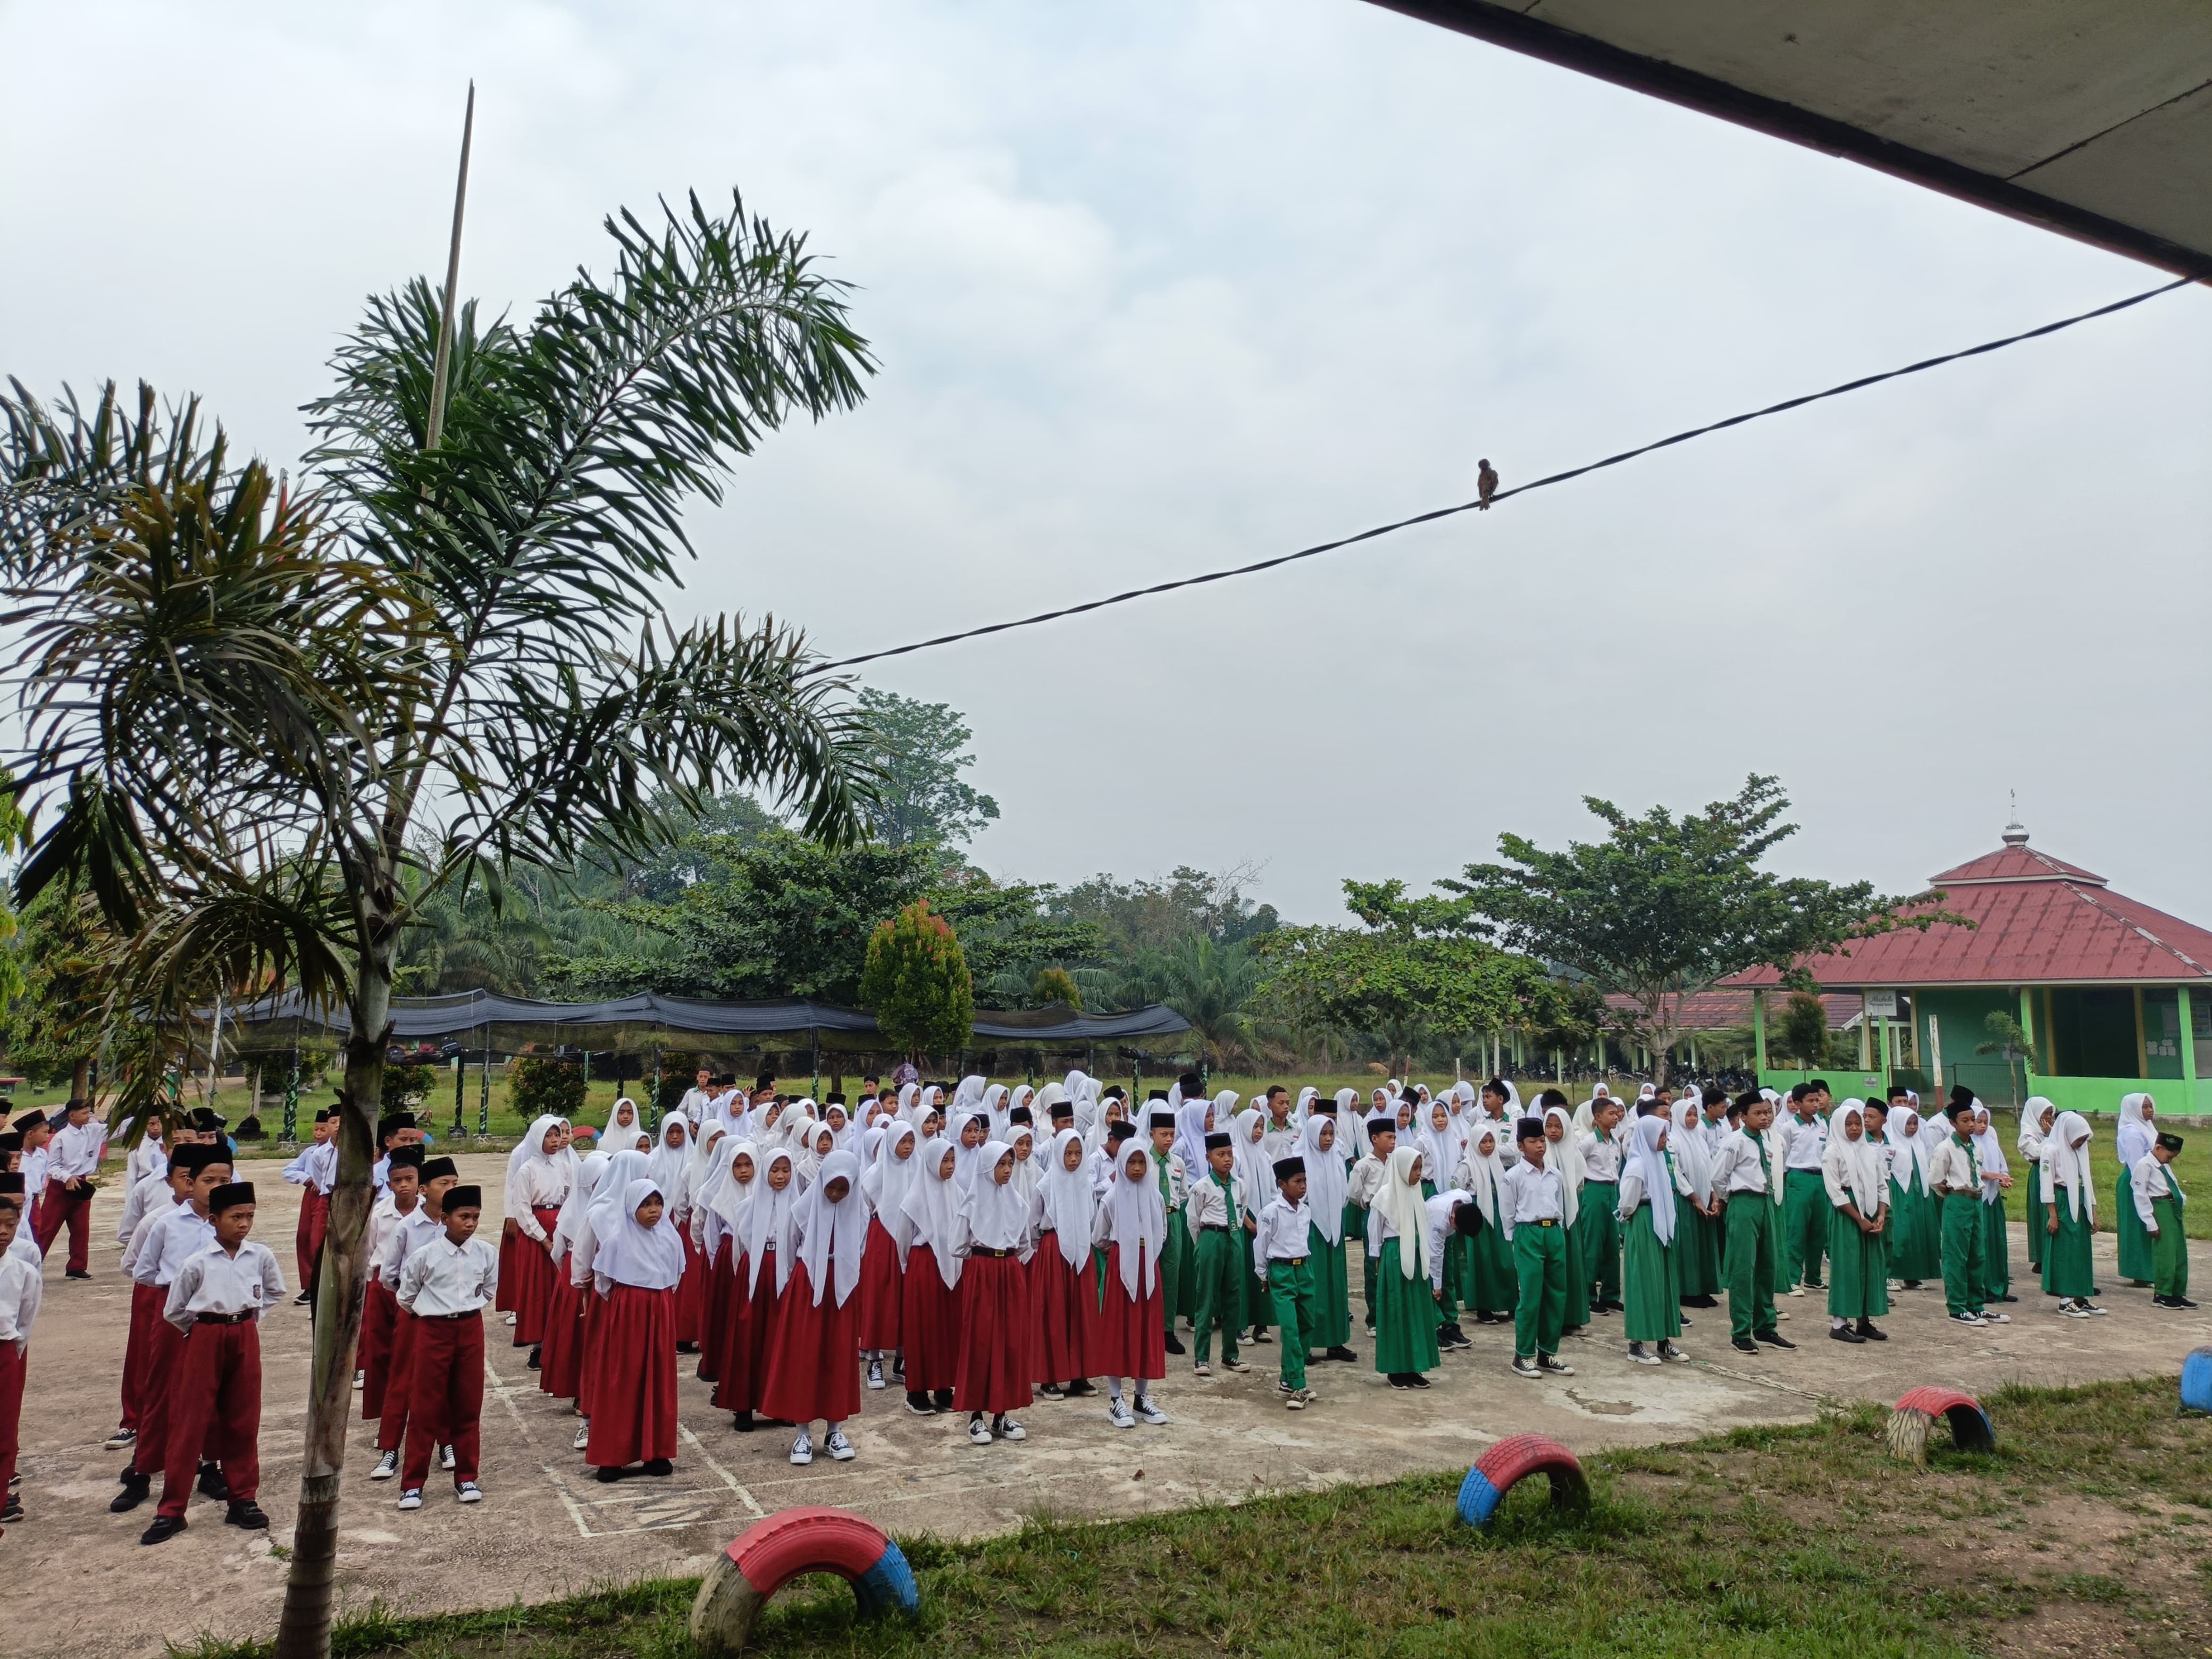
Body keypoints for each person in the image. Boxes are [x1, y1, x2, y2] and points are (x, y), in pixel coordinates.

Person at [142, 1180, 284, 1544]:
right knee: (190, 1421)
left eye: (249, 1216)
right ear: (215, 1220)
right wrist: (202, 1330)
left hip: (244, 1334)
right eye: (236, 1217)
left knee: (243, 1418)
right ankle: (172, 1509)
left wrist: (249, 1320)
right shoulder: (197, 1263)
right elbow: (175, 1310)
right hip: (204, 1335)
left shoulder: (260, 1256)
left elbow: (274, 1291)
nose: (244, 1224)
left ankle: (243, 1498)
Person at [112, 1144, 234, 1514]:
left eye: (224, 1181)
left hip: (213, 1318)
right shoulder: (163, 1222)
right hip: (172, 1317)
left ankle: (209, 1466)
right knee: (161, 1393)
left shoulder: (230, 1222)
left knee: (212, 1395)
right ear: (188, 1183)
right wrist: (175, 1294)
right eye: (207, 1180)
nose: (216, 1187)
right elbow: (139, 1269)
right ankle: (144, 1470)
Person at [395, 1183, 498, 1509]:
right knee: (426, 1408)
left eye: (475, 1217)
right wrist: (435, 1315)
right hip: (433, 1330)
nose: (470, 1223)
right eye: (463, 1217)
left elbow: (490, 1290)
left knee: (468, 1405)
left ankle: (467, 1477)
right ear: (444, 1218)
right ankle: (413, 1484)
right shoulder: (425, 1256)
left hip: (470, 1329)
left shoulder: (485, 1253)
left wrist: (467, 1308)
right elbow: (406, 1297)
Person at [762, 1149, 867, 1466]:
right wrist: (791, 1289)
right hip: (808, 1286)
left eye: (843, 1188)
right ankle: (802, 1433)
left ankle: (835, 1430)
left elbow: (858, 1250)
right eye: (831, 1187)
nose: (835, 1194)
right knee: (805, 1356)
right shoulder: (802, 1210)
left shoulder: (860, 1213)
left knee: (837, 1355)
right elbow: (788, 1250)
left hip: (842, 1289)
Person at [585, 1176, 685, 1481]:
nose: (653, 1211)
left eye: (657, 1204)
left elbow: (676, 1274)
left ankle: (656, 1453)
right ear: (631, 1208)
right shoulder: (617, 1240)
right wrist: (630, 1302)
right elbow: (603, 1282)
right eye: (645, 1205)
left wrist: (657, 1300)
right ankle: (613, 1456)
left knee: (657, 1377)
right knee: (622, 1377)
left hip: (660, 1309)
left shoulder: (670, 1238)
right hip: (628, 1312)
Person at [370, 1155, 460, 1479]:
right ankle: (390, 1449)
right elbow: (388, 1274)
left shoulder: (457, 1223)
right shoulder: (407, 1227)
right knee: (403, 1380)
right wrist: (411, 1305)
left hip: (450, 1315)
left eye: (454, 1184)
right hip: (415, 1315)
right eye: (443, 1184)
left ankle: (446, 1441)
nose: (450, 1189)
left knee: (447, 1381)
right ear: (425, 1189)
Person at [952, 1142, 1033, 1445]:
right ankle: (976, 1415)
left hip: (1010, 1271)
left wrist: (1006, 1258)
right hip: (982, 1271)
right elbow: (958, 1245)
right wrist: (983, 1259)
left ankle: (1002, 1413)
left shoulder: (1017, 1202)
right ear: (987, 1168)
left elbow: (1024, 1242)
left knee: (1010, 1340)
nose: (1007, 1170)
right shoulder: (972, 1204)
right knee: (981, 1339)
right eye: (1001, 1165)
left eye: (1010, 1165)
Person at [1090, 1144, 1170, 1428]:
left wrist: (1147, 1255)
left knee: (1145, 1329)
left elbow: (1162, 1230)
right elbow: (1100, 1237)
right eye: (1131, 1162)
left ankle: (1141, 1398)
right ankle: (1115, 1400)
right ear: (1122, 1164)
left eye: (1141, 1162)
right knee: (1118, 1329)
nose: (1137, 1168)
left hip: (1149, 1264)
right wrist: (1122, 1256)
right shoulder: (1111, 1198)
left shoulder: (1155, 1197)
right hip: (1122, 1264)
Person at [1713, 1092, 1791, 1354]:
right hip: (1744, 1202)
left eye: (1768, 1112)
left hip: (1766, 1202)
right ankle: (1741, 1332)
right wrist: (1729, 1200)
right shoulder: (1734, 1142)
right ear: (1743, 1116)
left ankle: (1766, 1327)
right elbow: (1718, 1177)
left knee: (1767, 1266)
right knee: (1743, 1269)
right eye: (1758, 1113)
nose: (1766, 1117)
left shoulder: (1772, 1141)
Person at [1033, 1127, 1099, 1401]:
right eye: (1068, 1154)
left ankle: (1079, 1373)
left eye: (1078, 1154)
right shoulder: (1045, 1186)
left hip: (1082, 1253)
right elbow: (1034, 1227)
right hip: (1053, 1252)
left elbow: (1093, 1220)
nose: (1073, 1159)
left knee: (1080, 1312)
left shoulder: (1086, 1185)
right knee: (1054, 1313)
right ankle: (1049, 1377)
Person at [360, 1147, 425, 1424]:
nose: (403, 1186)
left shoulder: (429, 1212)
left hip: (417, 1290)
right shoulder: (379, 1213)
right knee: (381, 1350)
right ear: (389, 1185)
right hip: (383, 1287)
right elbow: (370, 1250)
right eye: (397, 1181)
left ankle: (417, 1409)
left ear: (419, 1182)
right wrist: (375, 1282)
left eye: (409, 1179)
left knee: (414, 1352)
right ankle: (385, 1415)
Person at [1928, 1100, 2004, 1328]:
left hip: (1976, 1202)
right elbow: (1934, 1180)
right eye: (1966, 1120)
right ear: (1953, 1123)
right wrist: (1952, 1195)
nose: (1972, 1124)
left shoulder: (1976, 1146)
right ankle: (1958, 1307)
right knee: (1956, 1256)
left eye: (1973, 1120)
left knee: (1977, 1255)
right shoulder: (1945, 1148)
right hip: (1957, 1201)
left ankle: (1976, 1305)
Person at [1616, 1113, 1683, 1365]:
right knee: (1644, 1281)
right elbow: (1627, 1203)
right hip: (1644, 1222)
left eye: (1666, 1134)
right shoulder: (1637, 1165)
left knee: (1663, 1282)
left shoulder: (1658, 1162)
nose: (1665, 1140)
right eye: (1661, 1135)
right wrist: (1630, 1216)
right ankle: (1636, 1344)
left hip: (1661, 1223)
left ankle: (1663, 1340)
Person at [1821, 1102, 1889, 1344]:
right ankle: (1839, 1323)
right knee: (1847, 1265)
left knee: (1869, 1266)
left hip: (1870, 1211)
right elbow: (1835, 1191)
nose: (1854, 1129)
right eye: (1848, 1124)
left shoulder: (1869, 1151)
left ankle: (1864, 1321)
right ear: (1839, 1126)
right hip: (1847, 1214)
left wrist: (1881, 1215)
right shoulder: (1833, 1152)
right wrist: (1859, 1219)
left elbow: (1882, 1185)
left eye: (1858, 1123)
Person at [508, 1116, 573, 1365]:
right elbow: (522, 1209)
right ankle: (538, 1346)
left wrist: (564, 1232)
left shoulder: (564, 1167)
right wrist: (544, 1239)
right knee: (538, 1288)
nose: (555, 1141)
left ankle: (558, 1343)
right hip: (537, 1231)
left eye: (557, 1135)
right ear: (537, 1138)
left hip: (558, 1223)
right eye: (549, 1136)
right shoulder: (527, 1170)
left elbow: (569, 1199)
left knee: (559, 1285)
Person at [1254, 1156, 1317, 1408]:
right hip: (1281, 1271)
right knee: (1289, 1329)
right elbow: (1261, 1244)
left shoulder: (1306, 1210)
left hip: (1304, 1269)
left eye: (1305, 1181)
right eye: (1297, 1182)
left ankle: (1287, 1379)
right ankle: (1299, 1386)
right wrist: (1263, 1274)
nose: (1303, 1186)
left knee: (1307, 1324)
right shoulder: (1271, 1212)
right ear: (1282, 1184)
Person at [1186, 1130, 1249, 1378]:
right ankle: (1201, 1358)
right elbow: (1193, 1220)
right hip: (1210, 1237)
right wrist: (1203, 1245)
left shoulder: (1239, 1185)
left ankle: (1230, 1354)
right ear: (1208, 1157)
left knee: (1233, 1296)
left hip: (1233, 1237)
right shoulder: (1202, 1187)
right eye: (1221, 1155)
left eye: (1230, 1154)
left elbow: (1242, 1209)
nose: (1227, 1159)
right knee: (1206, 1297)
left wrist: (1235, 1233)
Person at [1298, 1115, 1357, 1362]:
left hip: (1335, 1229)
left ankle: (1336, 1341)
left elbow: (1343, 1191)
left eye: (1331, 1134)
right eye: (1323, 1134)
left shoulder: (1335, 1158)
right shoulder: (1300, 1157)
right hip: (1312, 1229)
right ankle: (1307, 1344)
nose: (1328, 1139)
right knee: (1314, 1286)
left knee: (1336, 1286)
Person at [0, 1186, 40, 1524]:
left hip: (5, 1352)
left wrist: (11, 1354)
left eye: (10, 1225)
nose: (3, 1232)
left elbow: (25, 1320)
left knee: (4, 1430)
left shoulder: (24, 1271)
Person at [2040, 1111, 2104, 1317]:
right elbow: (2047, 1184)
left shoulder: (2079, 1149)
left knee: (2080, 1250)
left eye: (2085, 1139)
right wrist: (2053, 1214)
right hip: (2062, 1201)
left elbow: (2087, 1180)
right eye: (2079, 1138)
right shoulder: (2051, 1150)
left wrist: (2093, 1210)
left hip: (2080, 1199)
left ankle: (2080, 1296)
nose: (2081, 1143)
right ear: (2068, 1132)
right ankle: (2064, 1300)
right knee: (2064, 1251)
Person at [35, 1097, 104, 1277]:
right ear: (72, 1116)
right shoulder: (61, 1137)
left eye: (89, 1112)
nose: (88, 1116)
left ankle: (77, 1267)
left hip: (82, 1183)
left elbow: (120, 1128)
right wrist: (67, 1177)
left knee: (82, 1228)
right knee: (47, 1228)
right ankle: (33, 1264)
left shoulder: (94, 1131)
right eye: (84, 1113)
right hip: (61, 1185)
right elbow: (52, 1165)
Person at [1883, 1097, 1940, 1289]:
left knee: (1918, 1233)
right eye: (1908, 1123)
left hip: (1919, 1193)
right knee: (1900, 1233)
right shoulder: (1890, 1143)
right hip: (1899, 1192)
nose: (1913, 1127)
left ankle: (1913, 1274)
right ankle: (1888, 1273)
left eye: (1915, 1123)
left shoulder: (1918, 1142)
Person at [1776, 1086, 1828, 1295]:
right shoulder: (1788, 1128)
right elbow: (1783, 1156)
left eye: (1817, 1100)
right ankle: (1791, 1278)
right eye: (1810, 1101)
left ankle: (1813, 1277)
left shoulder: (1822, 1125)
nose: (1816, 1104)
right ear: (1798, 1104)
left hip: (1821, 1178)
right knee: (1797, 1229)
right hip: (1799, 1177)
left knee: (1819, 1230)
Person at [1349, 1115, 1398, 1335]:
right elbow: (1353, 1193)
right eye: (1389, 1137)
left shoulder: (1396, 1161)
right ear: (1375, 1139)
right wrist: (1367, 1203)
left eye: (1395, 1137)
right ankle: (1373, 1319)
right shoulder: (1364, 1165)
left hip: (1394, 1216)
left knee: (1390, 1265)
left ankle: (1390, 1315)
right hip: (1373, 1214)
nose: (1393, 1142)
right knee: (1373, 1266)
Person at [1576, 1097, 1625, 1314]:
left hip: (1612, 1192)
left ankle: (1610, 1294)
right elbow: (1577, 1164)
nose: (1616, 1117)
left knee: (1612, 1244)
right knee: (1592, 1244)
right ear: (1598, 1117)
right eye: (1611, 1114)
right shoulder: (1588, 1142)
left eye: (1617, 1114)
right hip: (1594, 1191)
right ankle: (1587, 1294)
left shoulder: (1615, 1142)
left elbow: (1617, 1166)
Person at [282, 1110, 338, 1303]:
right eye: (317, 1129)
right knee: (304, 1237)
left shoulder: (346, 1151)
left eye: (323, 1129)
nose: (319, 1133)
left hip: (330, 1196)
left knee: (320, 1240)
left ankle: (322, 1286)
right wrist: (306, 1179)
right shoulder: (311, 1152)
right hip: (313, 1197)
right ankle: (308, 1286)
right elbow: (288, 1171)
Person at [2136, 1132, 2193, 1310]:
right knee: (2165, 1253)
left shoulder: (2163, 1165)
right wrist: (2150, 1222)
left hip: (2172, 1208)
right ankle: (2162, 1293)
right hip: (2159, 1208)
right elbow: (2140, 1195)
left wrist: (2180, 1198)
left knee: (2179, 1252)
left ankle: (2177, 1292)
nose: (2171, 1160)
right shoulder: (2144, 1165)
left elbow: (2172, 1184)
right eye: (2170, 1156)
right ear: (2159, 1148)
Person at [1970, 1105, 2016, 1304]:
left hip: (1993, 1199)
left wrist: (2003, 1179)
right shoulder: (1968, 1144)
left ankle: (1999, 1286)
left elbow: (2001, 1168)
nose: (1981, 1126)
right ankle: (1983, 1288)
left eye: (1985, 1122)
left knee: (1997, 1243)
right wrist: (1991, 1176)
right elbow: (1969, 1170)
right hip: (1978, 1198)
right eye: (1977, 1122)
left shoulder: (1991, 1143)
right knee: (1982, 1243)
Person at [2115, 1092, 2158, 1287]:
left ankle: (2150, 1271)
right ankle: (2140, 1272)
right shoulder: (2132, 1133)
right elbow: (2136, 1165)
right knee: (2137, 1226)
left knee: (2147, 1223)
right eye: (2145, 1107)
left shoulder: (2147, 1127)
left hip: (2150, 1178)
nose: (2150, 1110)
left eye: (2151, 1106)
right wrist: (2145, 1188)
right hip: (2136, 1181)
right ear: (2133, 1110)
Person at [2018, 1096, 2056, 1277]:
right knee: (2041, 1215)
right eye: (2045, 1113)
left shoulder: (2048, 1131)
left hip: (2052, 1173)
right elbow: (2035, 1153)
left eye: (2051, 1113)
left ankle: (2050, 1255)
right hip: (2040, 1173)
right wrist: (2050, 1136)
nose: (2048, 1117)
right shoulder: (2028, 1134)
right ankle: (2041, 1257)